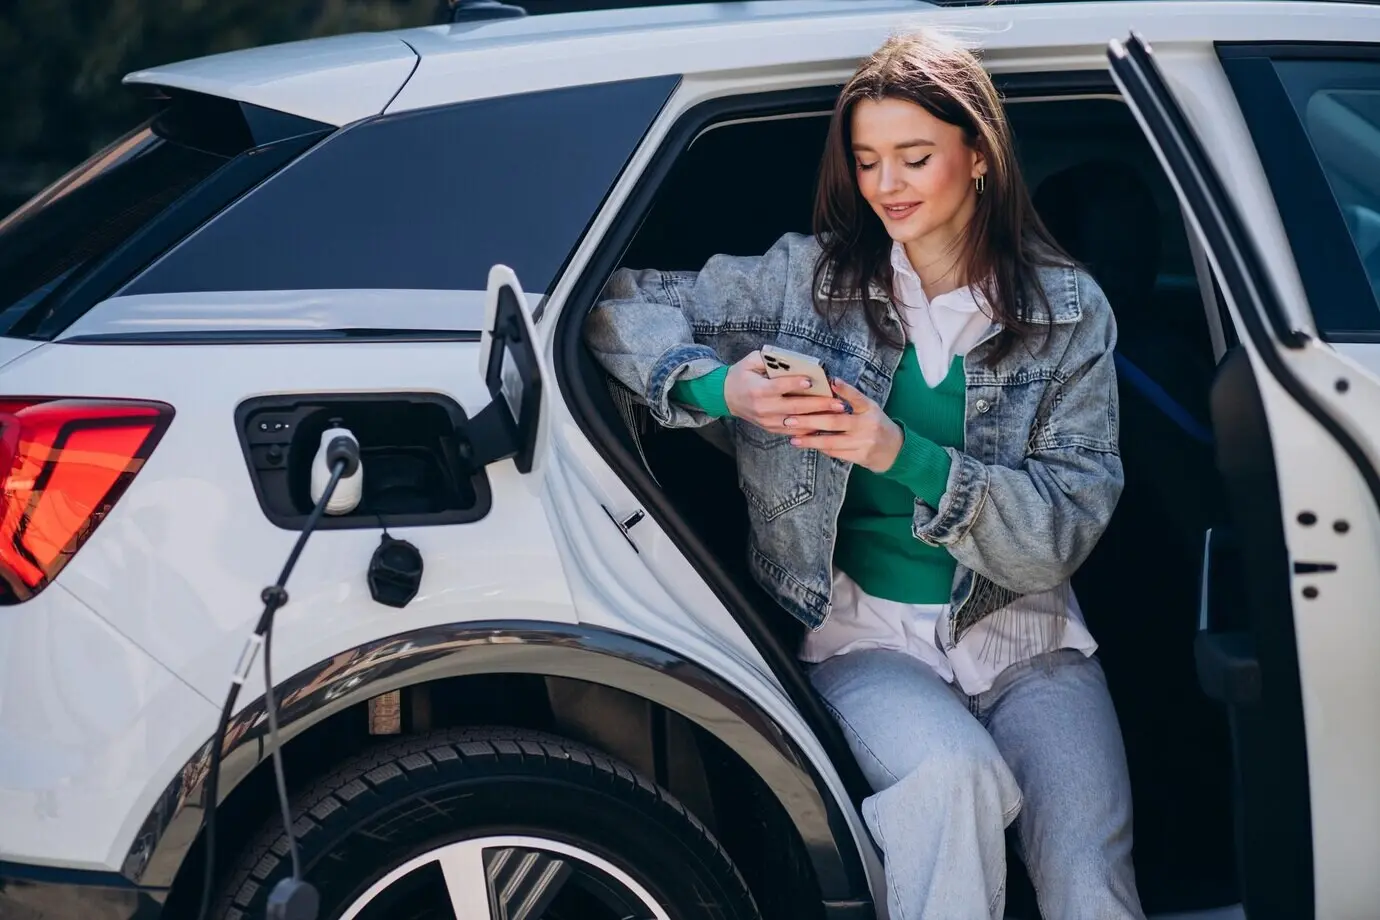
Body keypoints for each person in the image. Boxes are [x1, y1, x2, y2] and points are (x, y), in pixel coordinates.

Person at [585, 29, 1144, 920]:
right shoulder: (804, 282)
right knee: (949, 780)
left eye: (914, 158)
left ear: (981, 156)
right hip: (863, 644)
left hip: (1031, 645)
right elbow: (610, 302)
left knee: (1089, 875)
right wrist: (717, 386)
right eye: (868, 160)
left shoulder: (1067, 311)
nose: (886, 186)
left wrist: (898, 453)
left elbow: (1058, 533)